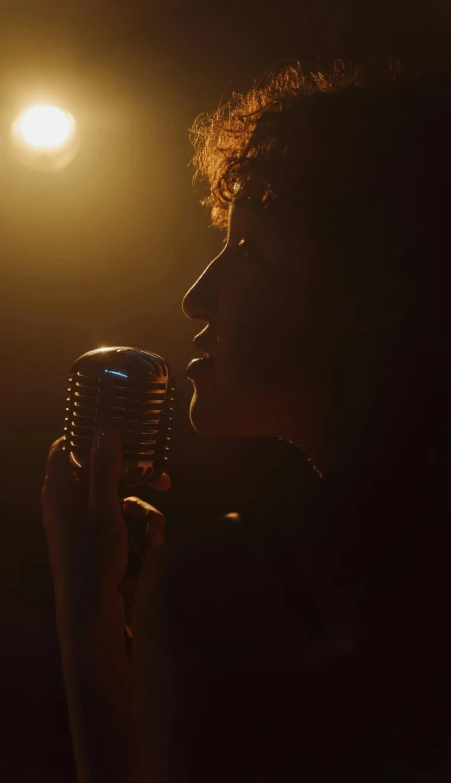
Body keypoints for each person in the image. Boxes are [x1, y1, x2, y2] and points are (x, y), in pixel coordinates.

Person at [41, 57, 451, 782]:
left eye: (248, 250)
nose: (197, 297)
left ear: (372, 295)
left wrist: (85, 608)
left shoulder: (233, 591)